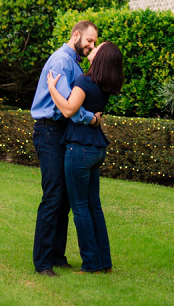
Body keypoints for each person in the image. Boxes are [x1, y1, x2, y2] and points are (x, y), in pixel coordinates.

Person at [30, 20, 101, 277]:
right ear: (76, 36)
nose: (91, 45)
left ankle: (57, 256)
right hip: (49, 130)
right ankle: (43, 263)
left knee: (64, 199)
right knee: (53, 195)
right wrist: (91, 118)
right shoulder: (61, 61)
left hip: (59, 132)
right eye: (89, 40)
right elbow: (66, 107)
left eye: (94, 42)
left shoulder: (73, 63)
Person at [47, 41, 124, 274]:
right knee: (94, 207)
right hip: (96, 149)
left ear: (101, 58)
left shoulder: (84, 82)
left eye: (97, 48)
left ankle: (91, 264)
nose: (92, 49)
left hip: (79, 149)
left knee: (80, 207)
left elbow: (69, 110)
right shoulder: (104, 87)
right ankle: (104, 263)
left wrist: (52, 88)